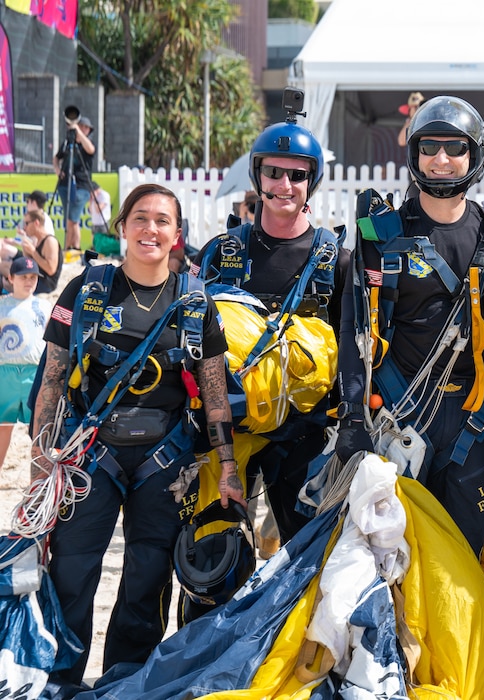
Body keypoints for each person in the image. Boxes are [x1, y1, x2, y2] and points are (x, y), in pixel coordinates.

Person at [33, 183, 233, 687]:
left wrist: (226, 466)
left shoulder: (196, 303)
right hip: (88, 459)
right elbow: (51, 382)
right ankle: (61, 685)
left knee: (147, 581)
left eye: (162, 221)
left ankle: (124, 685)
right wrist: (41, 468)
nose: (151, 229)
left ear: (177, 234)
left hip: (164, 465)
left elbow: (214, 394)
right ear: (121, 229)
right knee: (72, 575)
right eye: (140, 218)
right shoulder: (87, 290)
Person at [339, 95, 484, 554]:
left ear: (475, 155)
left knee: (461, 560)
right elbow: (352, 329)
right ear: (414, 154)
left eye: (454, 147)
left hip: (474, 423)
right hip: (396, 419)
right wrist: (350, 416)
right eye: (429, 147)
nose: (441, 159)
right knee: (390, 561)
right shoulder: (380, 236)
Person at [192, 108, 348, 550]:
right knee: (213, 560)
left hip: (304, 432)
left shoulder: (335, 260)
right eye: (274, 173)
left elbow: (355, 349)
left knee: (305, 557)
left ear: (310, 183)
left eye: (297, 176)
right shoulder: (221, 253)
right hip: (229, 430)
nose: (285, 185)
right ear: (258, 176)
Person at [0, 256, 49, 466]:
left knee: (39, 429)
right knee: (3, 426)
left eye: (33, 277)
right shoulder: (2, 305)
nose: (29, 281)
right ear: (10, 278)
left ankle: (41, 475)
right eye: (23, 277)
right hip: (5, 373)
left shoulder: (44, 306)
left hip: (35, 372)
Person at [54, 113, 96, 252]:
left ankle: (74, 248)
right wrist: (58, 170)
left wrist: (78, 131)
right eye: (81, 126)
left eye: (86, 127)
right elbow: (56, 157)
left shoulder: (87, 144)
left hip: (82, 186)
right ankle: (69, 248)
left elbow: (91, 150)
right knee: (69, 219)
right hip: (65, 184)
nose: (83, 129)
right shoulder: (68, 143)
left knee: (73, 219)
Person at [15, 207, 63, 295]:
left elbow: (51, 269)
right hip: (36, 279)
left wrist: (33, 251)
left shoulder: (50, 241)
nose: (24, 227)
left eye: (26, 223)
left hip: (46, 284)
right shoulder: (37, 240)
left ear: (36, 223)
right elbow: (29, 265)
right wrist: (25, 247)